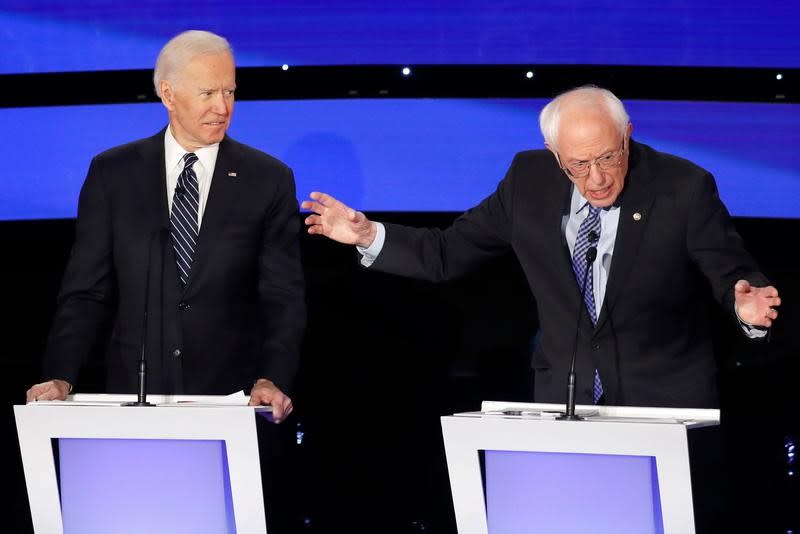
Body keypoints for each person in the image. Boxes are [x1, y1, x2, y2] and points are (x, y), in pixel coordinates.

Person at [301, 86, 780, 408]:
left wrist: (745, 302)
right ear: (554, 154)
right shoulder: (528, 181)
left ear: (628, 137)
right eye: (577, 164)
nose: (595, 178)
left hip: (662, 403)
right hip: (564, 400)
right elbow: (448, 252)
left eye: (608, 158)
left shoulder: (683, 187)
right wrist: (367, 235)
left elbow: (730, 268)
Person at [26, 30, 305, 421]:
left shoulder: (268, 179)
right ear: (168, 94)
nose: (223, 107)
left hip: (230, 401)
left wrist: (272, 377)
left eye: (230, 92)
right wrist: (60, 375)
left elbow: (283, 298)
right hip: (134, 399)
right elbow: (86, 291)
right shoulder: (113, 174)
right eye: (208, 93)